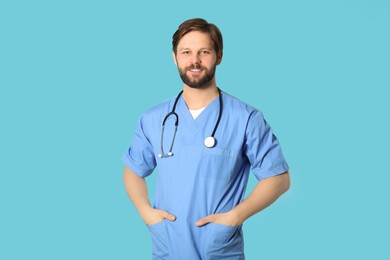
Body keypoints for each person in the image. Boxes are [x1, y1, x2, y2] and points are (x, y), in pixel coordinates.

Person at [122, 18, 290, 260]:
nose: (195, 61)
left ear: (219, 56)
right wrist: (145, 211)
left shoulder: (246, 118)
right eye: (186, 52)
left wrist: (235, 217)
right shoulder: (153, 118)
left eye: (204, 52)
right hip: (168, 245)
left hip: (217, 249)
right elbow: (133, 170)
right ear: (174, 57)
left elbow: (279, 179)